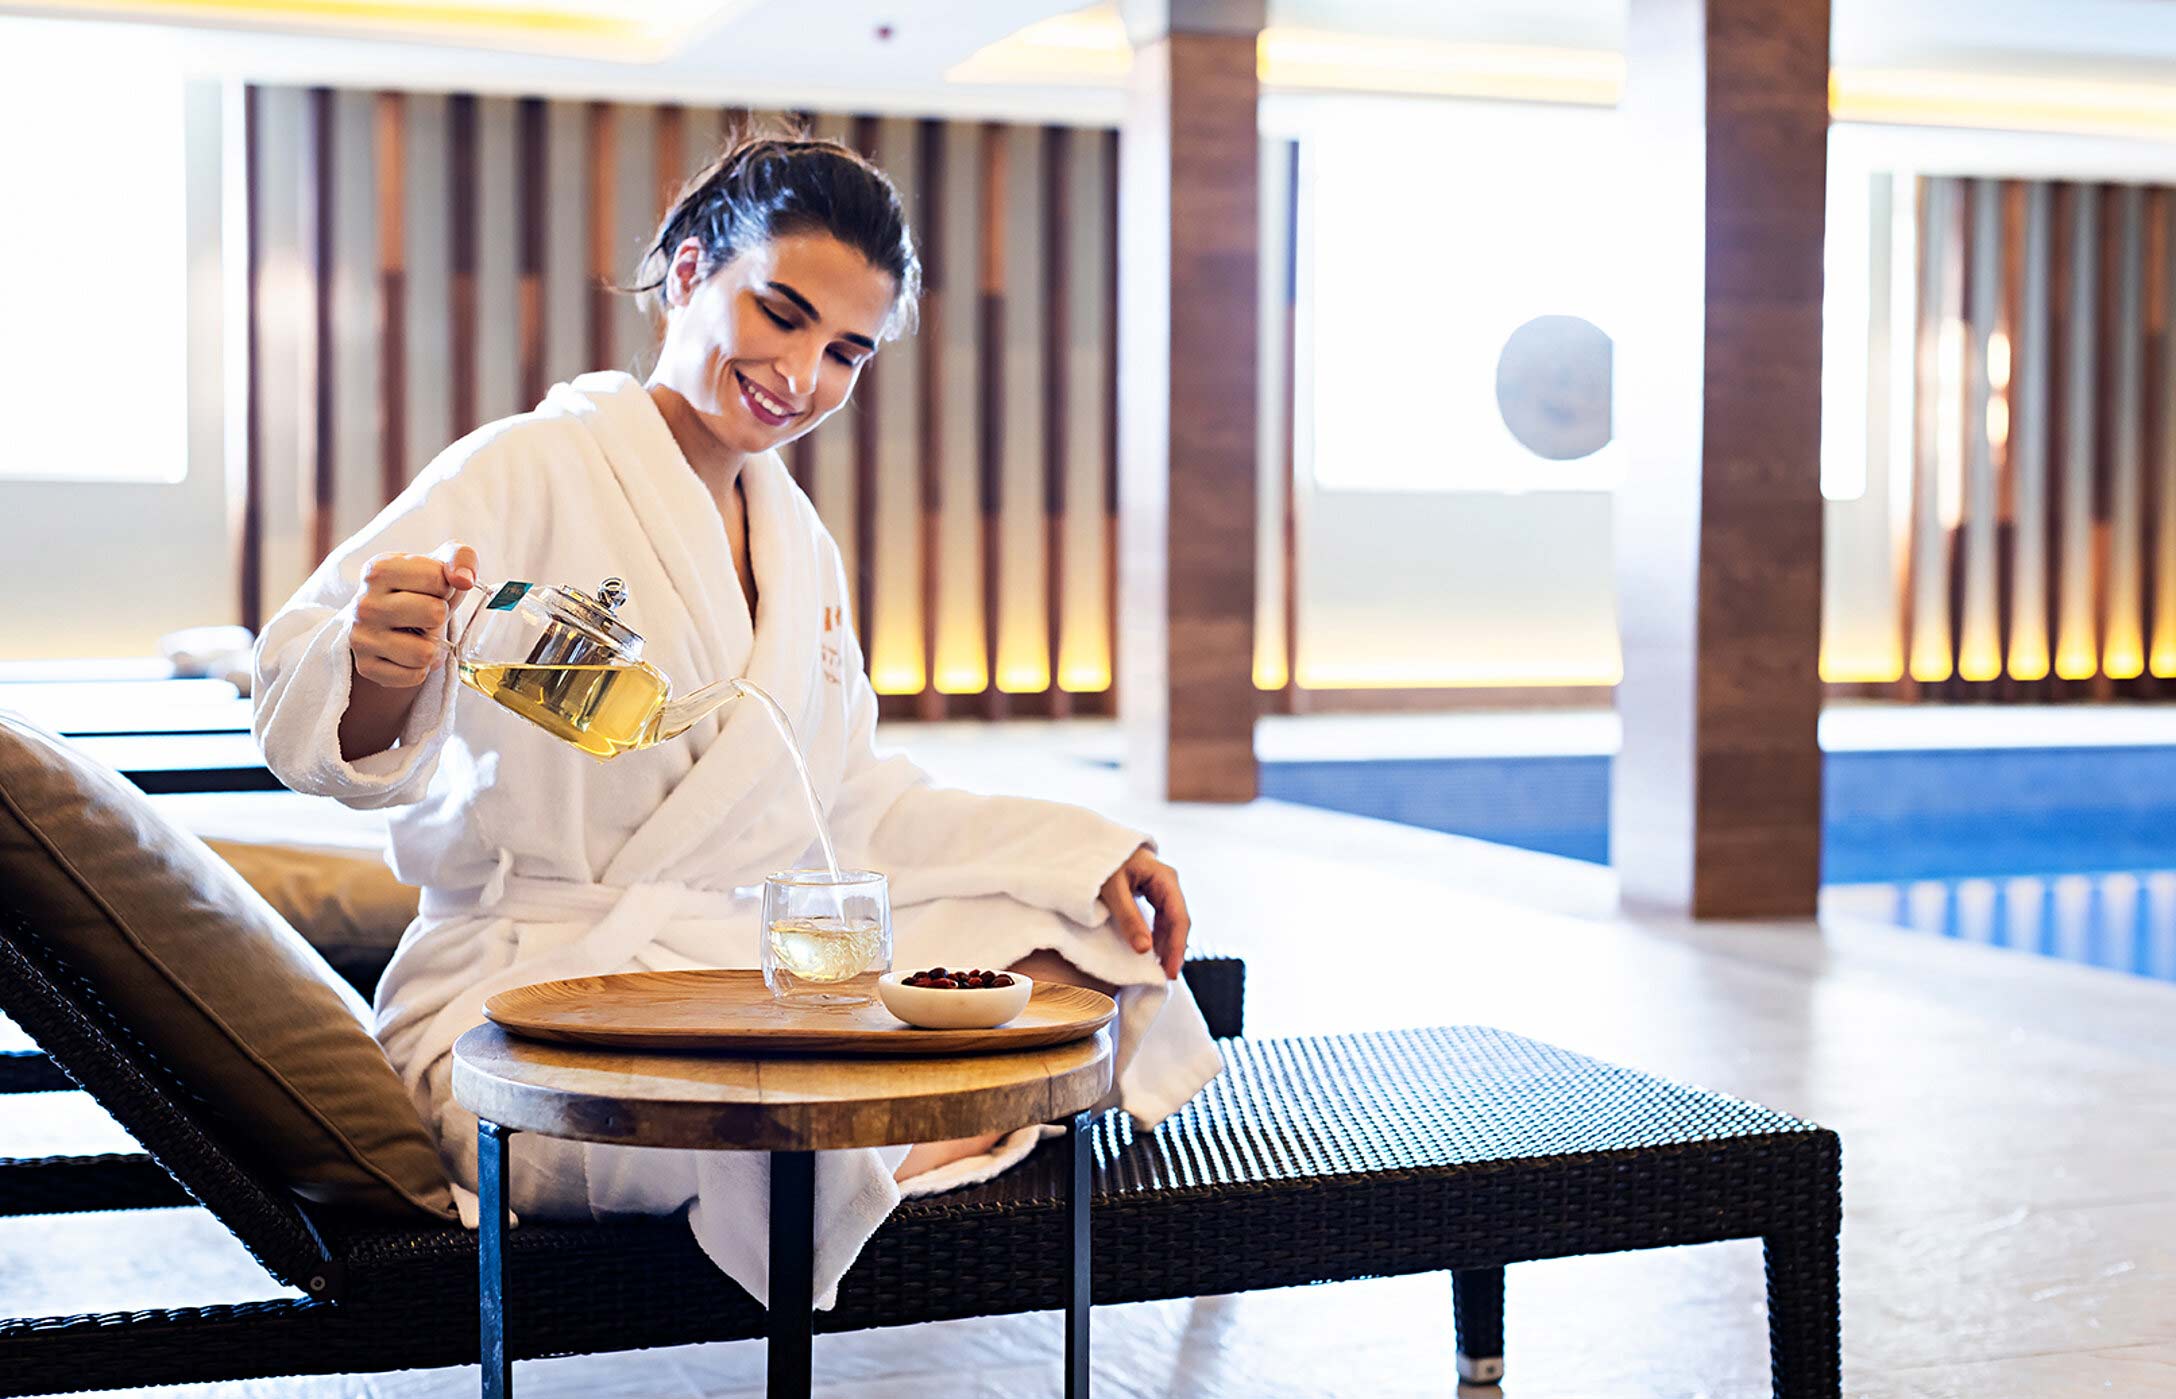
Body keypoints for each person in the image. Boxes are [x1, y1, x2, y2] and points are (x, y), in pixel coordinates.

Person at [253, 133, 1223, 1309]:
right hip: (532, 1002)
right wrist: (381, 664)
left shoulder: (798, 541)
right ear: (687, 269)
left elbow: (847, 802)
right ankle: (907, 1134)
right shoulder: (528, 466)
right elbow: (308, 699)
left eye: (847, 352)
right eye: (780, 312)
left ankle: (872, 1133)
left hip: (723, 974)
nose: (803, 374)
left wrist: (1086, 851)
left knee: (1078, 939)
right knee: (799, 1125)